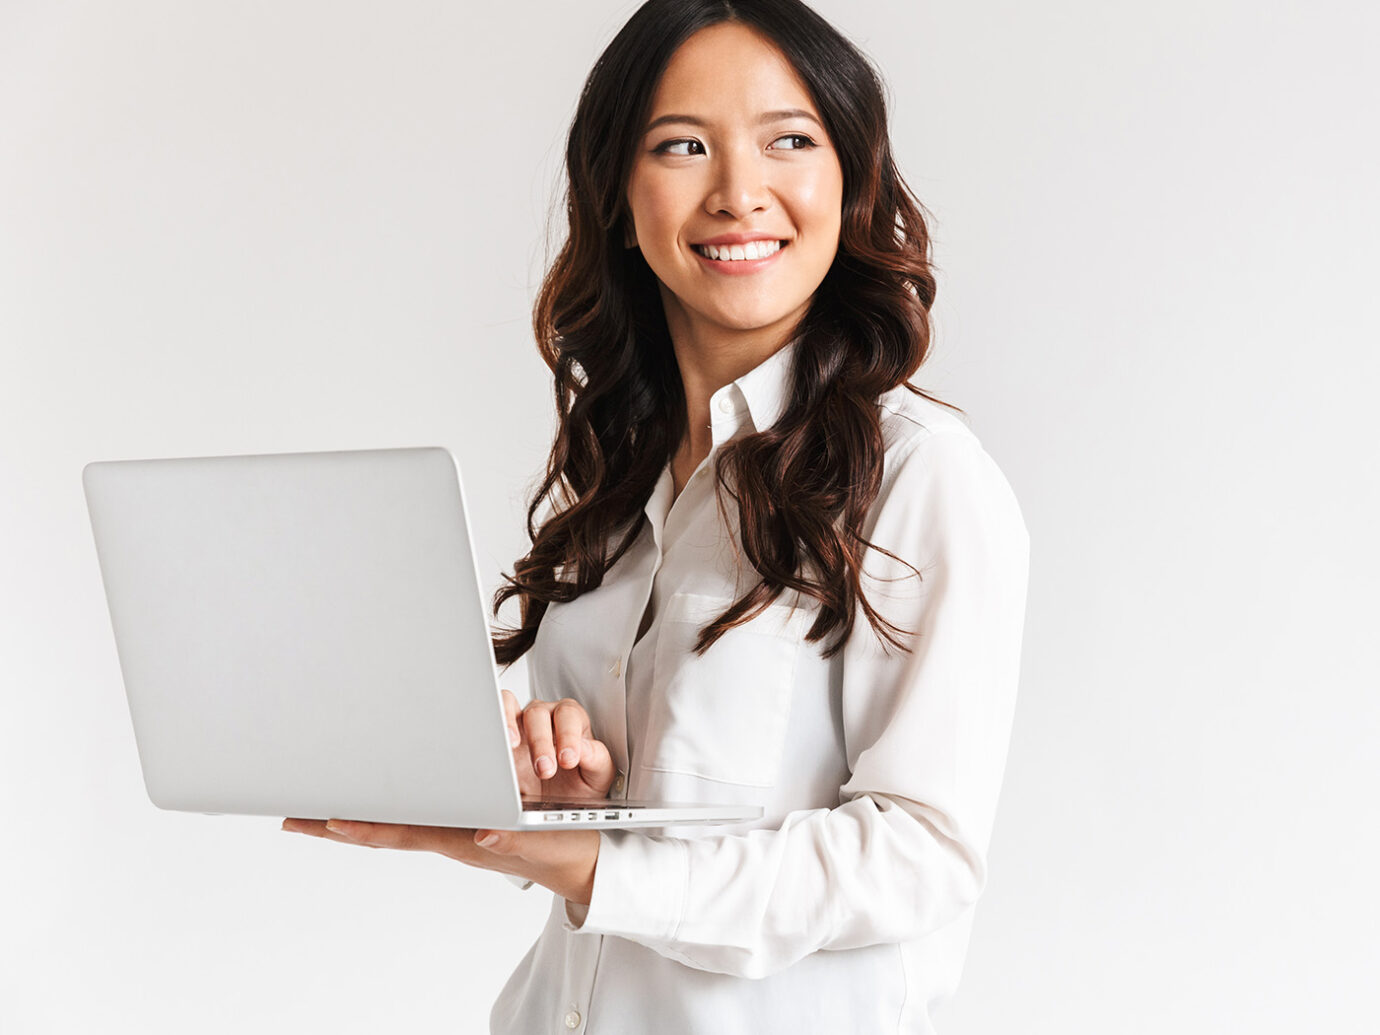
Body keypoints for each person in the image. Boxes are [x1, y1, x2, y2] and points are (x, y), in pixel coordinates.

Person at [283, 0, 1031, 1031]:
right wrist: (570, 794)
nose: (738, 193)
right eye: (683, 145)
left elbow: (917, 857)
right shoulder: (624, 480)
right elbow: (662, 820)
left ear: (851, 180)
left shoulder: (920, 477)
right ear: (619, 195)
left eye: (790, 142)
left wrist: (586, 864)